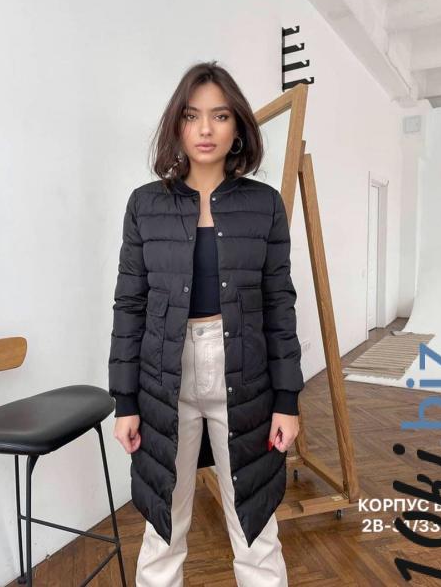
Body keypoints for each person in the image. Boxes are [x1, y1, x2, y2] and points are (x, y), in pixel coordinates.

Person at [109, 61, 304, 587]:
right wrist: (125, 402)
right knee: (163, 523)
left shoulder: (264, 205)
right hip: (162, 376)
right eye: (192, 115)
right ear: (177, 124)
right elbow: (129, 305)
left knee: (255, 526)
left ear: (237, 126)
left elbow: (278, 304)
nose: (205, 129)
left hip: (244, 370)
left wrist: (287, 400)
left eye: (220, 116)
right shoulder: (145, 204)